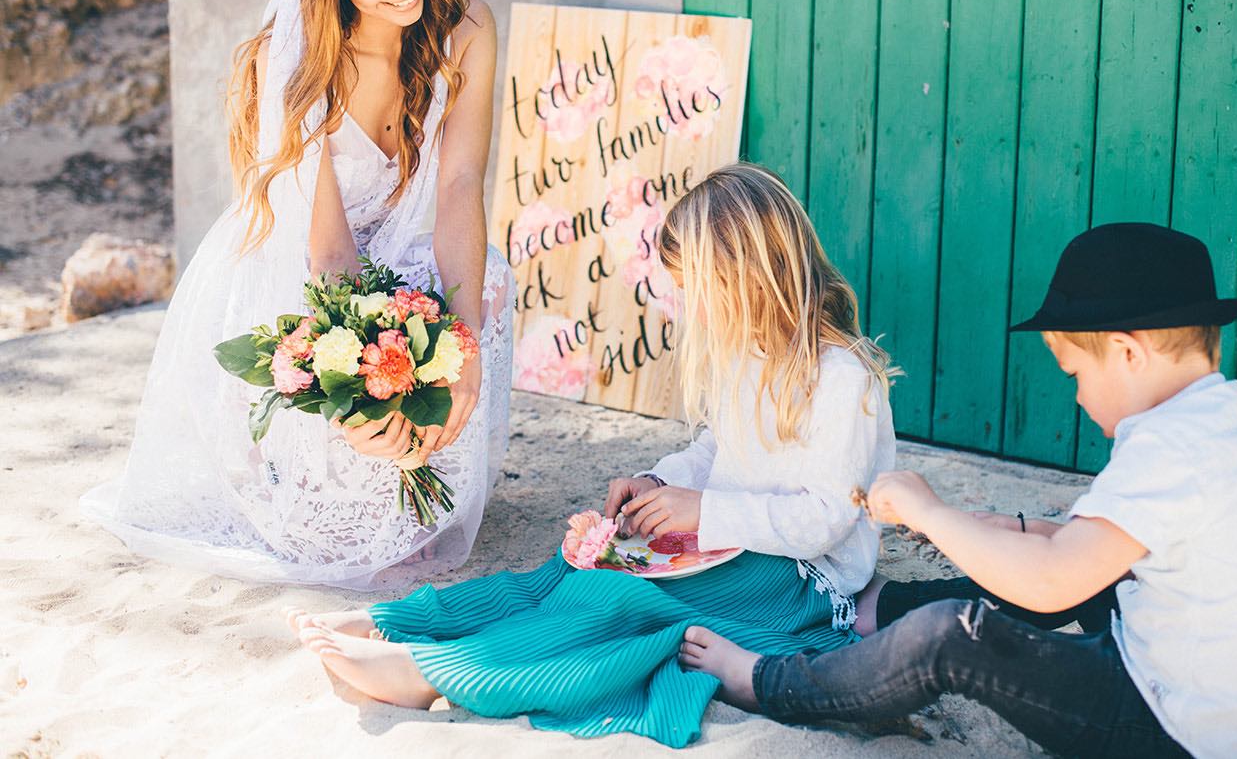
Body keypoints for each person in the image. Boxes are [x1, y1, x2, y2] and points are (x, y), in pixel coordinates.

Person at [283, 163, 898, 747]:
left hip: (803, 580)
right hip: (740, 544)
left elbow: (824, 520)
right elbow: (721, 448)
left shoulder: (842, 379)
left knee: (623, 599)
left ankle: (433, 673)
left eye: (699, 292)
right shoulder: (750, 355)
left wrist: (703, 513)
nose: (690, 310)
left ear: (748, 280)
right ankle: (410, 625)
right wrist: (658, 482)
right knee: (577, 565)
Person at [679, 222, 1237, 759]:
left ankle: (770, 682)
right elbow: (1106, 553)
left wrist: (929, 512)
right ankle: (884, 608)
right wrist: (1005, 529)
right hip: (1226, 713)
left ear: (1127, 353)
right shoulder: (1235, 428)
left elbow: (1056, 578)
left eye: (1077, 374)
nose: (1080, 397)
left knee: (952, 636)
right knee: (1049, 558)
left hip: (1167, 728)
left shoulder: (1169, 448)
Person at [80, 0, 514, 587]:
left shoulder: (467, 28)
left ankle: (433, 471)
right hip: (302, 265)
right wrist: (363, 381)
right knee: (336, 502)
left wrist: (461, 347)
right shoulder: (297, 65)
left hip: (394, 245)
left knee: (485, 277)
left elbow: (462, 184)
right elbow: (329, 252)